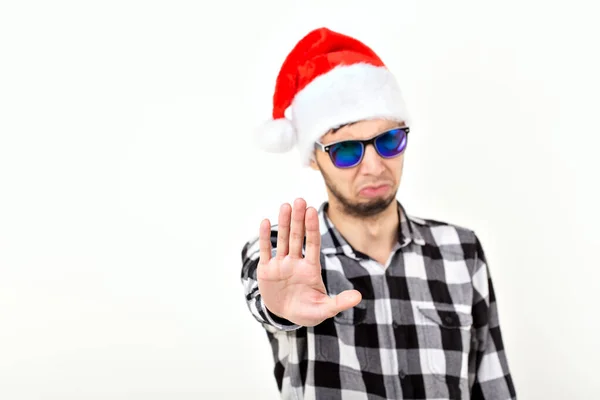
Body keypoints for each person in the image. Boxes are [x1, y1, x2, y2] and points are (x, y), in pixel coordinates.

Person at [240, 27, 516, 400]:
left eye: (388, 141)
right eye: (348, 150)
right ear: (314, 159)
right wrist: (280, 308)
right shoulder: (284, 251)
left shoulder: (461, 250)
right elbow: (266, 295)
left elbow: (492, 384)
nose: (373, 166)